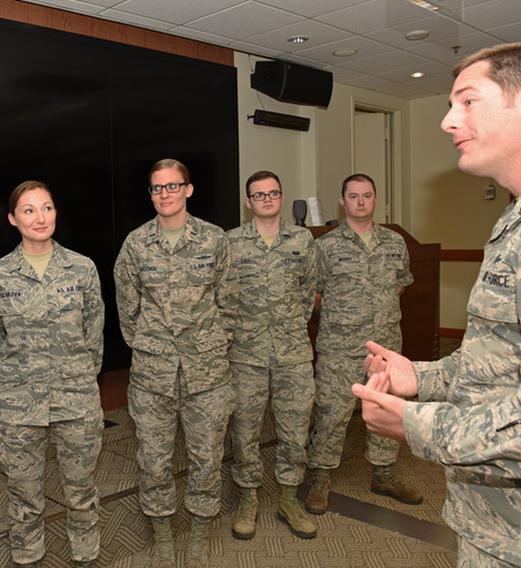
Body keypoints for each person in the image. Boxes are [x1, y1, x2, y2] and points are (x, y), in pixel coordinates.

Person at [354, 42, 521, 567]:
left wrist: (416, 423)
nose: (446, 121)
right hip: (503, 520)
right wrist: (420, 377)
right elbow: (499, 360)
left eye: (467, 101)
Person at [114, 159, 237, 568]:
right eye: (156, 188)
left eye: (172, 186)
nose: (164, 194)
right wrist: (151, 345)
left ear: (189, 189)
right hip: (153, 374)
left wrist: (211, 344)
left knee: (207, 456)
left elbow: (231, 302)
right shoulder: (135, 244)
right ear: (150, 194)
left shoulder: (215, 240)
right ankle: (163, 531)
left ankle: (200, 529)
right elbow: (126, 308)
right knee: (154, 457)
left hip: (208, 373)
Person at [0, 181, 104, 568]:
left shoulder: (82, 268)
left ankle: (86, 553)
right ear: (13, 219)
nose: (40, 217)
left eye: (46, 207)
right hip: (19, 405)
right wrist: (15, 383)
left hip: (76, 399)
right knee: (24, 492)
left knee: (81, 489)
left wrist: (78, 377)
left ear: (56, 213)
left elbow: (94, 334)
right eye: (29, 210)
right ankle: (28, 554)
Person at [305, 173, 421, 514]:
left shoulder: (394, 242)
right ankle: (321, 478)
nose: (360, 202)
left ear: (375, 199)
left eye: (366, 196)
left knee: (386, 407)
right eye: (353, 196)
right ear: (342, 201)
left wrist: (374, 309)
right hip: (340, 347)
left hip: (385, 346)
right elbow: (314, 294)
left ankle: (383, 474)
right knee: (331, 413)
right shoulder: (325, 247)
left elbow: (400, 284)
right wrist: (346, 313)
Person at [225, 170, 319, 540]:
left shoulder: (303, 240)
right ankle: (248, 498)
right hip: (245, 355)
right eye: (258, 194)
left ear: (282, 197)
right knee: (245, 432)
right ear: (248, 202)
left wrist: (289, 324)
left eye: (273, 193)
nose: (266, 199)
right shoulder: (231, 243)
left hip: (293, 353)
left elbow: (308, 291)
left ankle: (288, 498)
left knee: (295, 431)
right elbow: (224, 297)